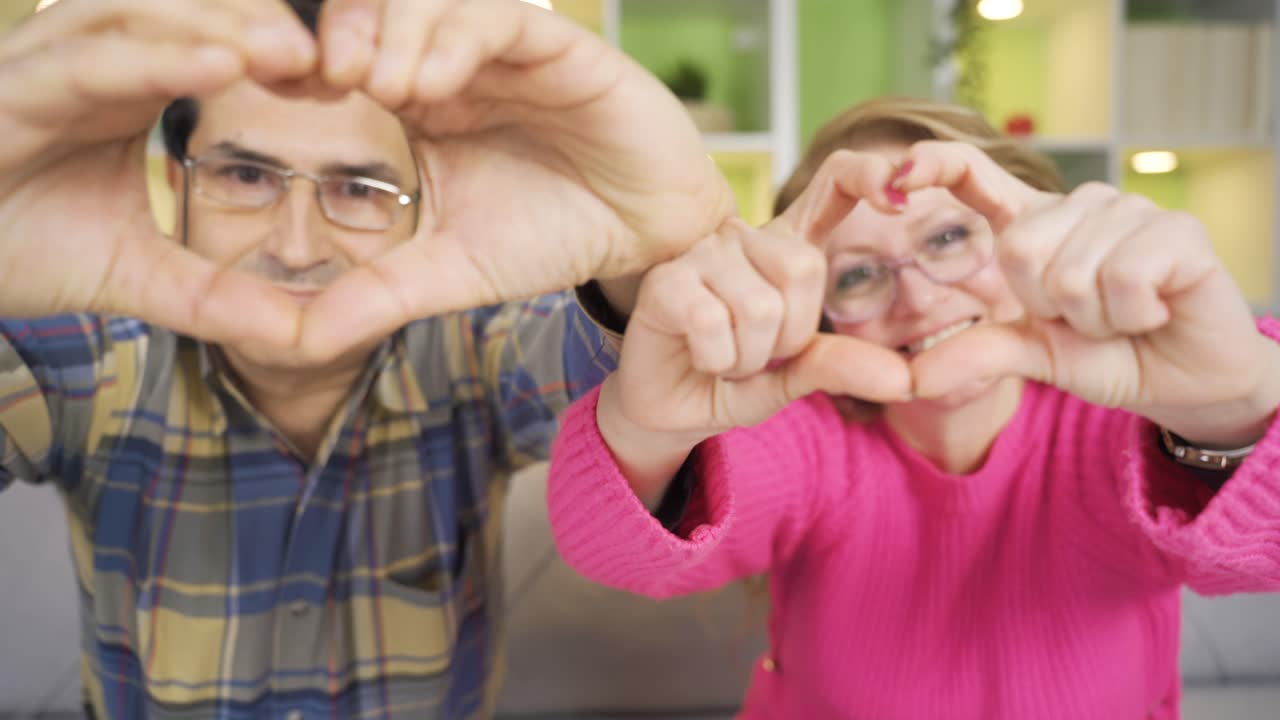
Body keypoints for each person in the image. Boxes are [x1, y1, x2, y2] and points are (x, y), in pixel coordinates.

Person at [0, 0, 807, 716]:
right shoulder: (90, 357)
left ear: (422, 211)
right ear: (178, 185)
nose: (296, 245)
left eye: (359, 189)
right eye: (244, 175)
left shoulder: (467, 348)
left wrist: (644, 249)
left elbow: (604, 357)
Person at [546, 97, 1280, 719]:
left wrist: (1236, 409)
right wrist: (647, 432)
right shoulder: (813, 433)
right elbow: (616, 555)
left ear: (1031, 236)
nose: (921, 297)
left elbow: (1262, 558)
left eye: (950, 237)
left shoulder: (1122, 423)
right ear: (821, 312)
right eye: (857, 275)